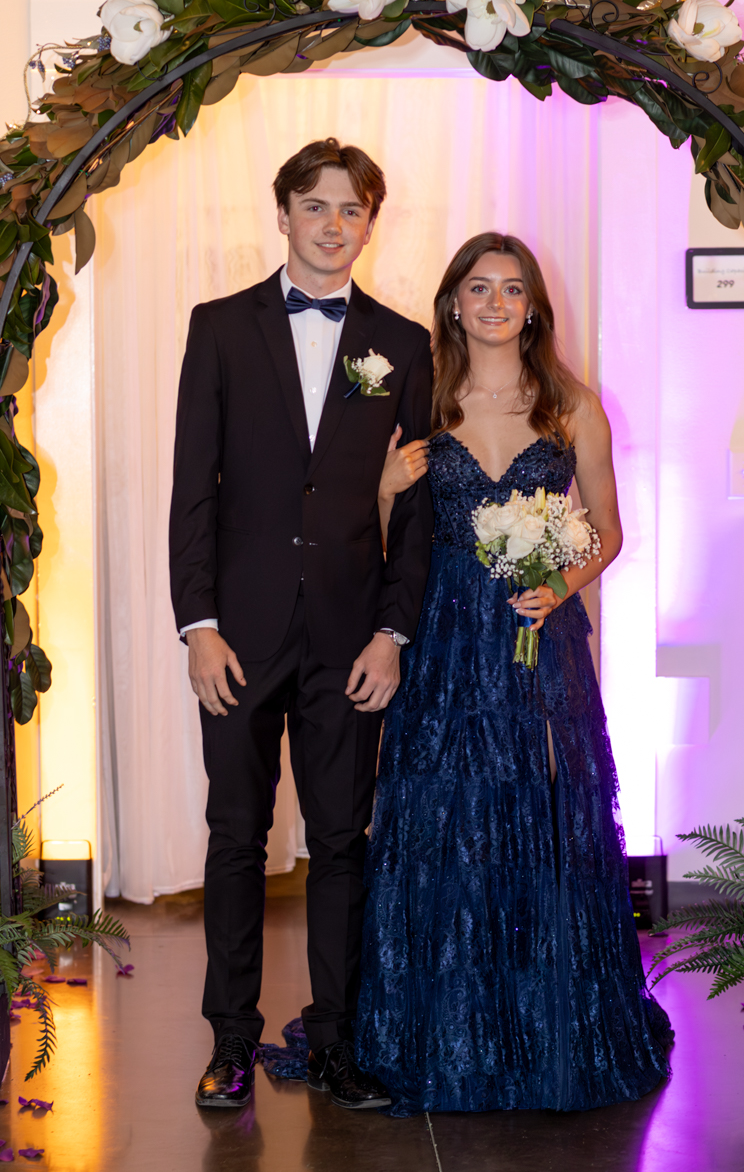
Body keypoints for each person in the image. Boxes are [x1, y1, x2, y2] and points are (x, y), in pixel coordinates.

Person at [356, 231, 672, 1115]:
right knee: (442, 809)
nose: (496, 303)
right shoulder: (420, 399)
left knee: (542, 806)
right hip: (443, 633)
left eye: (512, 289)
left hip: (538, 634)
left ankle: (547, 1024)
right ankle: (446, 1023)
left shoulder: (572, 404)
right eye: (478, 288)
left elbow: (606, 530)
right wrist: (383, 488)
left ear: (533, 305)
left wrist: (558, 581)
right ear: (453, 301)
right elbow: (381, 532)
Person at [169, 138, 433, 1110]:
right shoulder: (221, 328)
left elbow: (415, 513)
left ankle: (333, 1044)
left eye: (351, 209)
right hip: (235, 635)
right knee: (234, 836)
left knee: (341, 842)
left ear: (370, 221)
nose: (332, 225)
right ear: (281, 213)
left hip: (348, 637)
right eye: (314, 206)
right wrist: (197, 624)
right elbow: (190, 488)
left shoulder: (401, 345)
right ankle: (230, 1043)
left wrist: (390, 634)